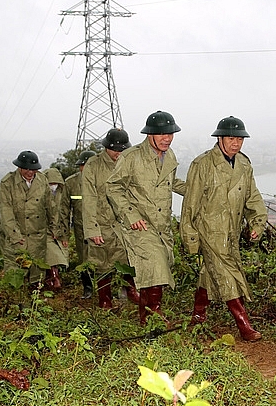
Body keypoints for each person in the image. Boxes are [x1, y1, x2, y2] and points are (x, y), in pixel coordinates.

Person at [180, 116, 267, 342]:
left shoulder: (244, 165)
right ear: (220, 138)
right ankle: (244, 326)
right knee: (228, 274)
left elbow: (252, 197)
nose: (236, 143)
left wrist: (257, 222)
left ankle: (198, 315)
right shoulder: (203, 165)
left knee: (211, 272)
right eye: (231, 138)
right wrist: (190, 236)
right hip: (209, 231)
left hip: (232, 233)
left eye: (240, 139)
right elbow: (190, 203)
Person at [106, 110, 186, 326]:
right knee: (155, 267)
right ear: (150, 134)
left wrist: (195, 191)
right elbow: (113, 187)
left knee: (158, 268)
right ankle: (152, 316)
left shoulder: (170, 156)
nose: (167, 138)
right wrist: (130, 215)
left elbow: (172, 182)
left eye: (170, 134)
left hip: (162, 225)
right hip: (140, 224)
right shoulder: (131, 157)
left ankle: (147, 315)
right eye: (162, 134)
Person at [82, 129, 139, 309]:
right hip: (102, 222)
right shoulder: (93, 165)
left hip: (124, 222)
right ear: (107, 147)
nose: (118, 153)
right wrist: (92, 229)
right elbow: (89, 198)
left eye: (122, 150)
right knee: (102, 263)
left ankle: (129, 291)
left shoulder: (129, 162)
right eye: (115, 150)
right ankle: (104, 300)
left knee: (130, 259)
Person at [0, 151, 56, 288]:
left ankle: (35, 302)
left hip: (37, 236)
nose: (30, 172)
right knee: (16, 274)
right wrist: (15, 235)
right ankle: (17, 303)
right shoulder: (7, 183)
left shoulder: (42, 180)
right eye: (27, 169)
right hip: (18, 237)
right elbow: (6, 212)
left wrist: (54, 228)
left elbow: (51, 207)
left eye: (33, 169)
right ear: (19, 167)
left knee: (36, 274)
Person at [64, 150, 96, 299]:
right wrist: (63, 232)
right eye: (84, 165)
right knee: (83, 259)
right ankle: (87, 287)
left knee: (103, 258)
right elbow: (63, 209)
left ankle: (106, 289)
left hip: (101, 226)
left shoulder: (104, 180)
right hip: (80, 228)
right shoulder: (71, 183)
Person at [43, 168, 69, 291]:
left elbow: (65, 214)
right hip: (45, 230)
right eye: (50, 184)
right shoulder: (41, 194)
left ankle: (54, 278)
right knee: (50, 255)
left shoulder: (62, 194)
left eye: (55, 184)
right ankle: (54, 278)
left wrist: (63, 233)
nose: (53, 186)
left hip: (60, 230)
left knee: (59, 255)